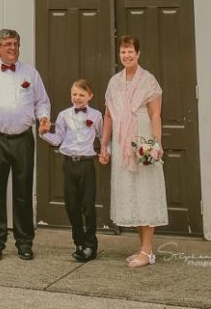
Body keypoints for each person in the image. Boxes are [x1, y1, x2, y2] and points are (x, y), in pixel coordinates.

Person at [0, 28, 51, 261]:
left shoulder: (30, 74)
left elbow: (42, 102)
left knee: (23, 192)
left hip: (23, 138)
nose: (12, 48)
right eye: (7, 44)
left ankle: (25, 242)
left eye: (15, 43)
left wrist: (44, 118)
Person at [100, 35, 168, 268]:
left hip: (143, 141)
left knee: (146, 193)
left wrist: (156, 144)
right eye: (123, 52)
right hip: (122, 144)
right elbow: (108, 116)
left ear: (138, 54)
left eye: (130, 51)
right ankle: (143, 250)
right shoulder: (114, 82)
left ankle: (147, 251)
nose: (127, 55)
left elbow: (155, 115)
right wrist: (104, 145)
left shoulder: (148, 81)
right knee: (133, 194)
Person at [41, 78, 103, 262]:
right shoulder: (63, 115)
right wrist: (44, 133)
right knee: (72, 205)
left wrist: (106, 153)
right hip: (68, 164)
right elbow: (58, 138)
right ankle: (79, 242)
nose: (77, 98)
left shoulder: (97, 115)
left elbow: (103, 137)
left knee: (88, 206)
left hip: (86, 164)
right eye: (74, 94)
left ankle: (91, 245)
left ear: (90, 96)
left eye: (81, 95)